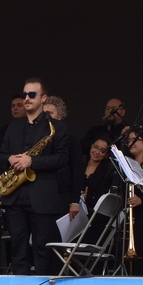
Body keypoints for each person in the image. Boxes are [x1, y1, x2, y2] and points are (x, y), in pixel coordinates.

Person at [0, 78, 71, 275]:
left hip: (42, 197)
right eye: (24, 95)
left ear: (43, 98)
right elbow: (1, 154)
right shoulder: (13, 127)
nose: (26, 99)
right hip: (15, 197)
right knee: (17, 250)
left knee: (42, 250)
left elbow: (62, 158)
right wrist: (10, 158)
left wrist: (32, 161)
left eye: (31, 95)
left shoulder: (57, 127)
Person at [122, 126, 143, 276]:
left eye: (135, 139)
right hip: (130, 213)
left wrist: (142, 199)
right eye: (129, 140)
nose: (131, 143)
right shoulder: (126, 165)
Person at [44, 96, 84, 224]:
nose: (45, 117)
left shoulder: (71, 140)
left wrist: (75, 201)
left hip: (62, 196)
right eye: (43, 114)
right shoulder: (38, 139)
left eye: (50, 113)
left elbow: (77, 170)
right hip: (42, 197)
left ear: (60, 116)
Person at [80, 137, 115, 212]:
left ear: (107, 154)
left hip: (93, 211)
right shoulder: (80, 163)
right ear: (91, 146)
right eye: (95, 147)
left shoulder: (107, 172)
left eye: (102, 150)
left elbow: (101, 197)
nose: (97, 152)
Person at [0, 92, 27, 160]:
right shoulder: (5, 129)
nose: (15, 108)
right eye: (13, 106)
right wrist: (10, 158)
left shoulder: (34, 126)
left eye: (19, 105)